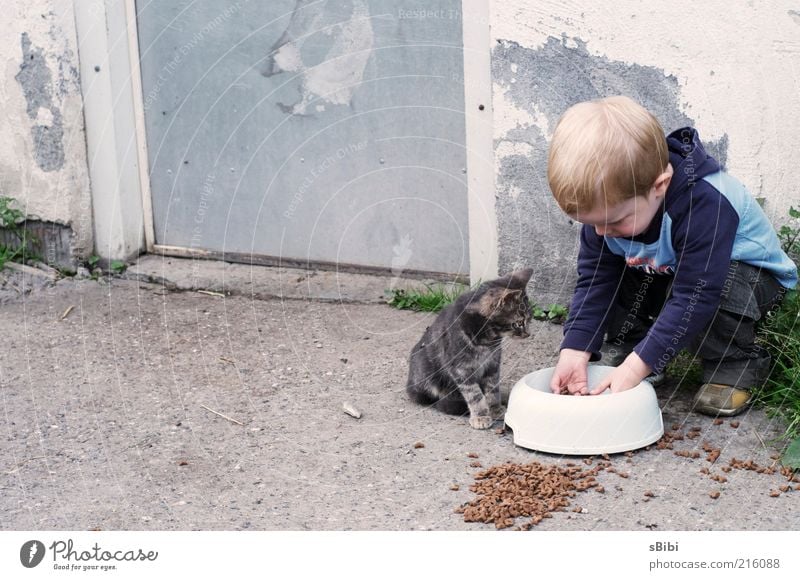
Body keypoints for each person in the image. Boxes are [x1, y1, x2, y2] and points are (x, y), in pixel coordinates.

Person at [546, 95, 797, 416]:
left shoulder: (705, 203)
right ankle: (636, 346)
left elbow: (697, 292)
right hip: (672, 274)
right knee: (615, 273)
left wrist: (638, 367)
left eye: (614, 221)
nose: (600, 233)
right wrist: (575, 350)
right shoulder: (611, 215)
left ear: (660, 186)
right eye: (591, 223)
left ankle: (733, 366)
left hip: (752, 285)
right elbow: (595, 281)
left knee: (718, 286)